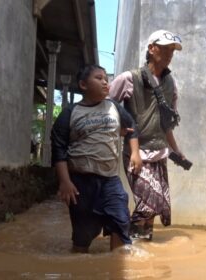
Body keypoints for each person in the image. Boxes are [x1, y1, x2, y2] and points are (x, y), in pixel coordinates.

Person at [51, 65, 142, 253]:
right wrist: (65, 181)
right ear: (83, 85)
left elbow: (131, 125)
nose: (105, 82)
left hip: (110, 180)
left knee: (121, 221)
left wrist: (135, 153)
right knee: (83, 235)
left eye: (106, 79)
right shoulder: (70, 113)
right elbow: (58, 149)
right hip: (80, 183)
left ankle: (117, 262)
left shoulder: (114, 107)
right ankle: (80, 267)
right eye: (98, 78)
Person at [109, 30, 186, 240]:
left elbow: (167, 124)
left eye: (172, 50)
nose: (170, 54)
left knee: (155, 206)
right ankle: (125, 244)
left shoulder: (171, 84)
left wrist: (177, 151)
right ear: (152, 49)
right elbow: (107, 109)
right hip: (136, 153)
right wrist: (119, 130)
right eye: (165, 48)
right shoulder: (128, 78)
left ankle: (144, 249)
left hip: (159, 153)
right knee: (147, 202)